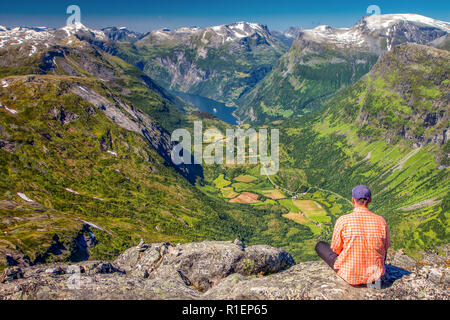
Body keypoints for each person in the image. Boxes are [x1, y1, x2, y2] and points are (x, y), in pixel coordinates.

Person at [315, 185, 390, 287]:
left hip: (350, 275)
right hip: (375, 277)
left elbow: (336, 249)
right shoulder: (381, 221)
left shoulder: (343, 220)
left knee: (320, 245)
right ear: (370, 200)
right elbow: (385, 248)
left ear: (353, 200)